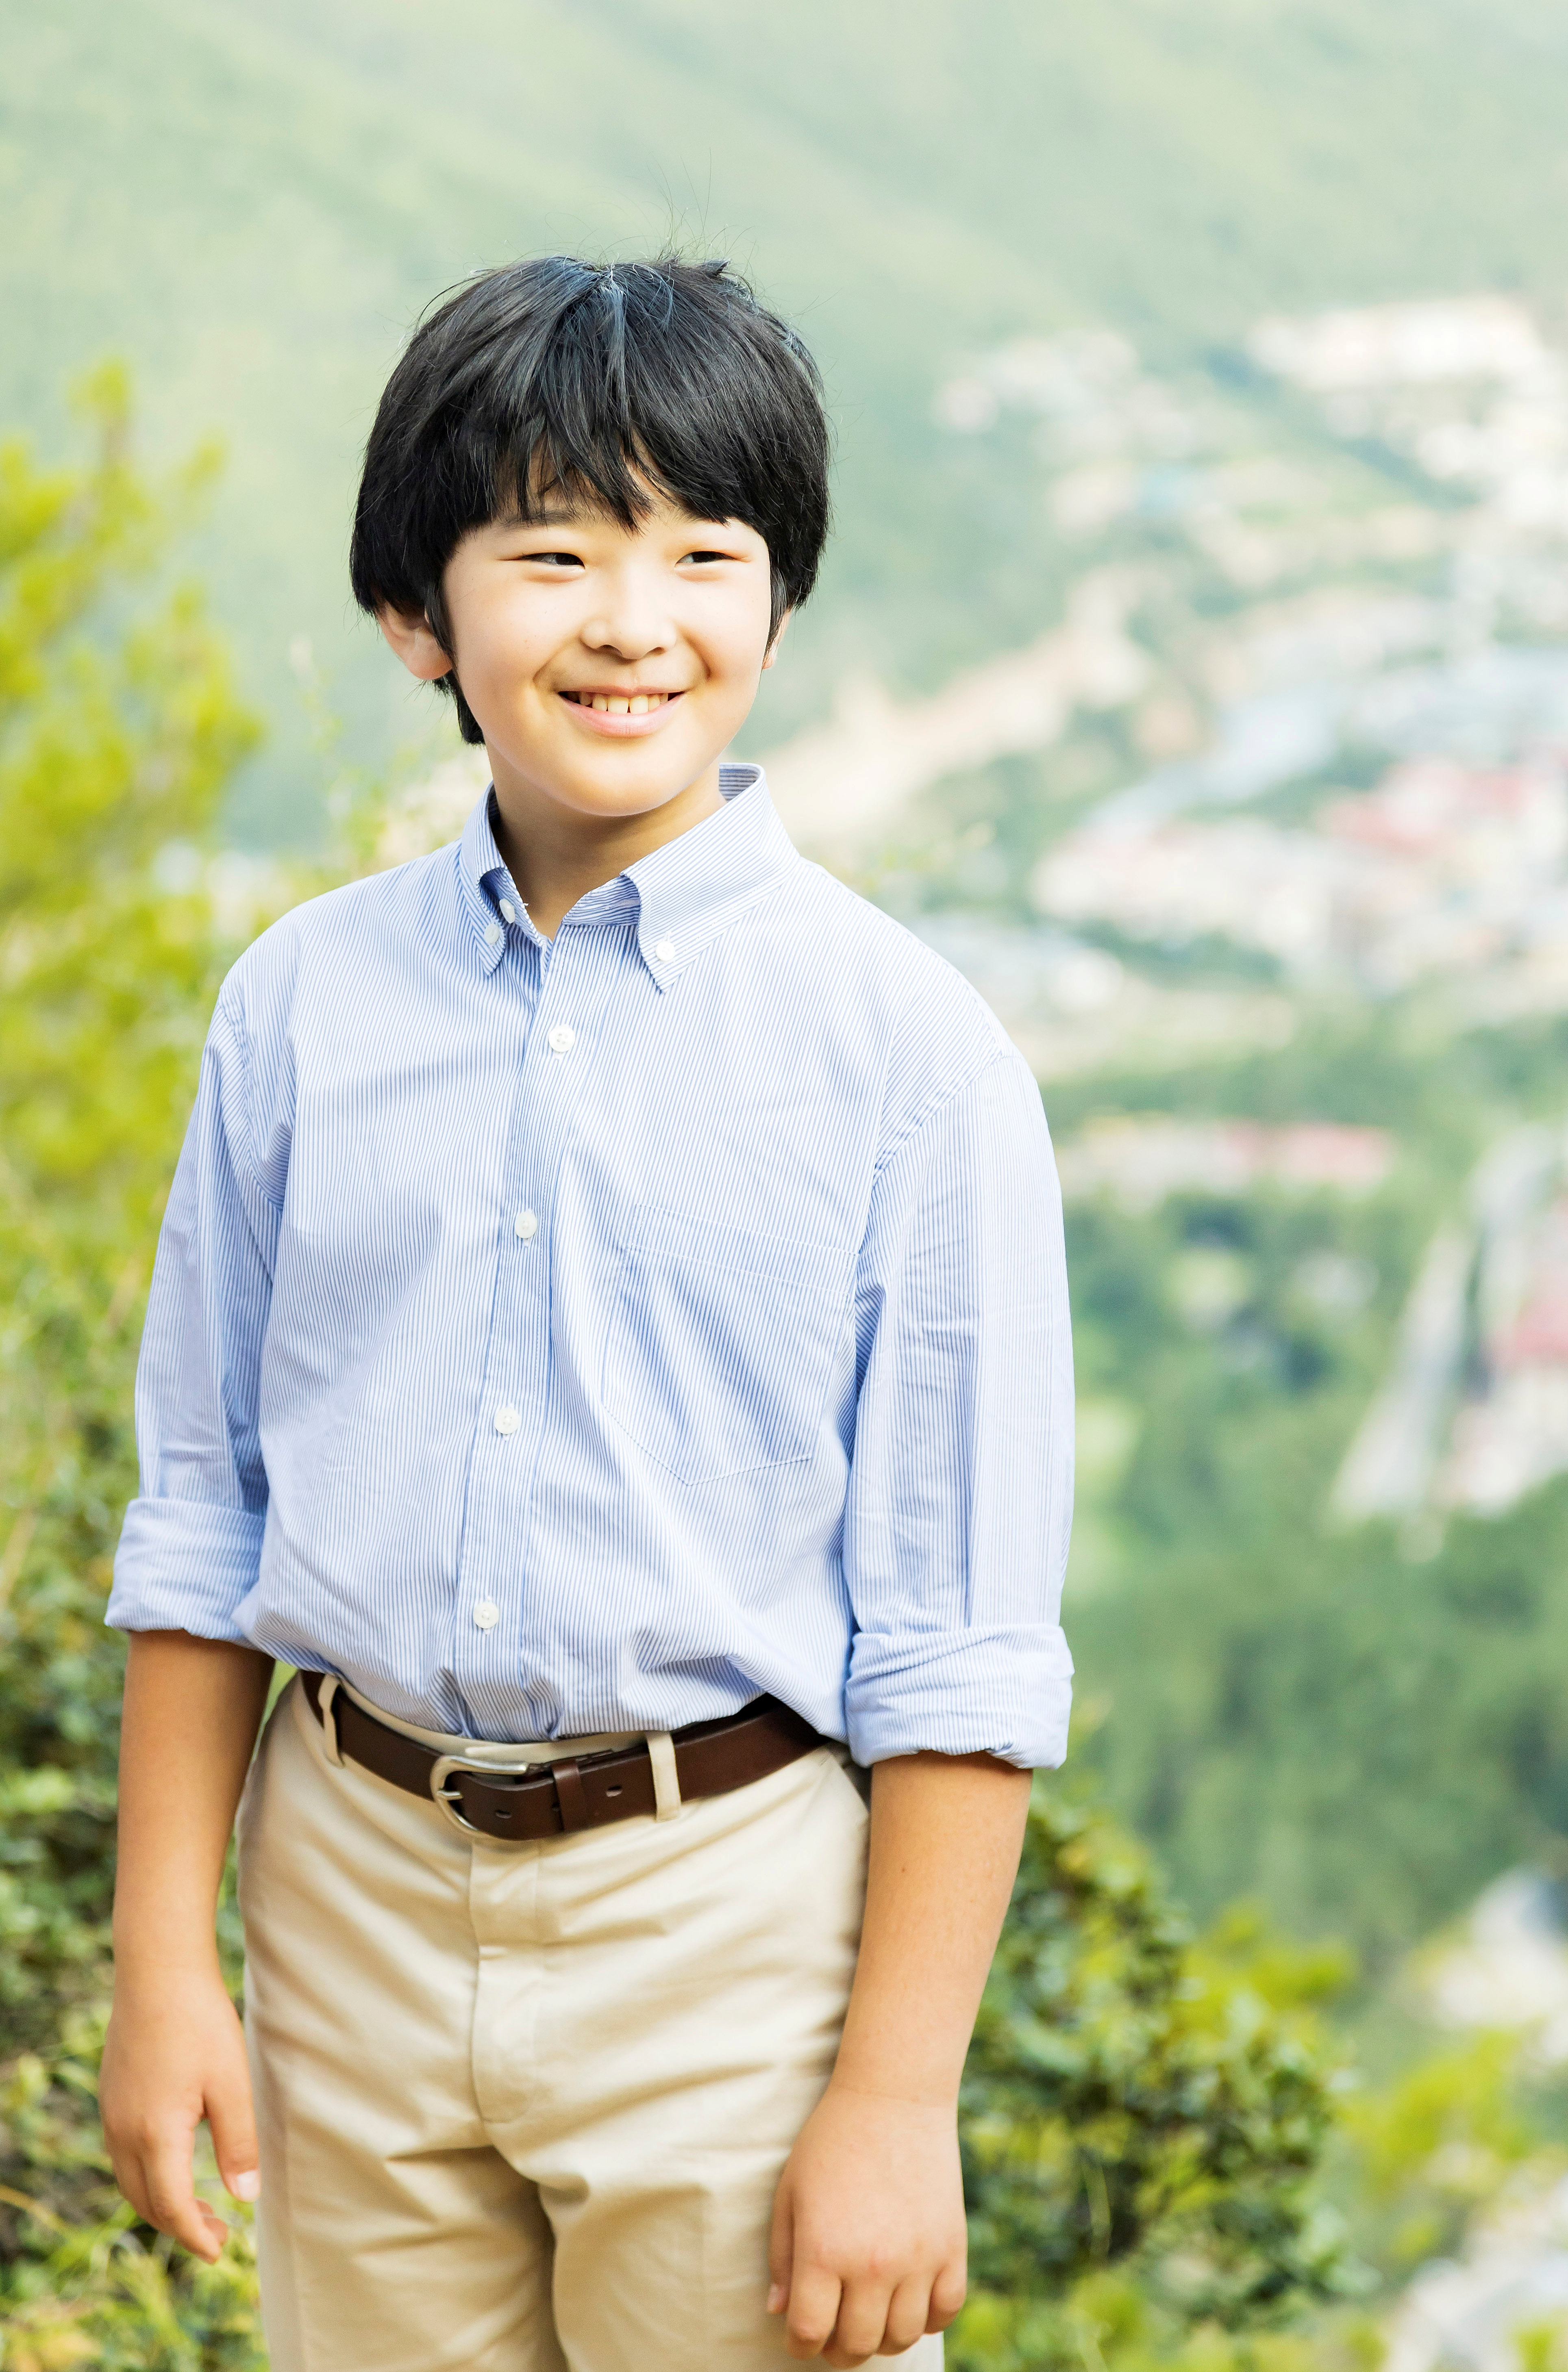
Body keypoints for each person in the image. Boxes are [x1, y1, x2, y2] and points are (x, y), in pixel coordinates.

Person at [99, 254, 1075, 2372]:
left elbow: (960, 1634)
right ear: (417, 618)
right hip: (343, 1883)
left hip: (722, 1916)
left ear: (775, 603)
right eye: (552, 552)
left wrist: (895, 2104)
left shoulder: (908, 1055)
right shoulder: (297, 1011)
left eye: (700, 553)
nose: (634, 619)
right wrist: (165, 1968)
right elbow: (202, 1517)